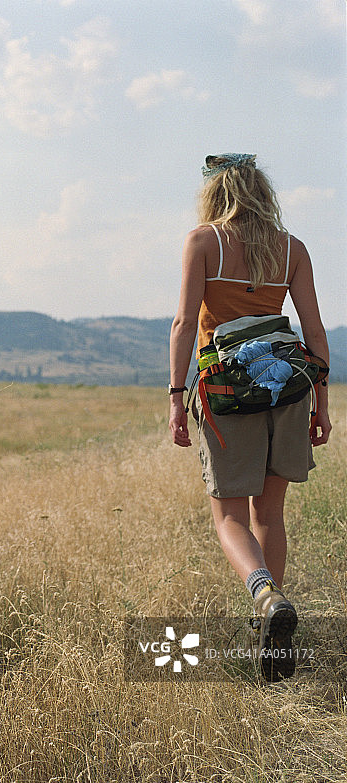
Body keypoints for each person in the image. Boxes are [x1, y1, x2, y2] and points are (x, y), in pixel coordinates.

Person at [168, 153, 331, 682]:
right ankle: (272, 639)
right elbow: (313, 330)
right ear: (264, 194)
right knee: (270, 514)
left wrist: (176, 397)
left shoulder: (203, 242)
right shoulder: (292, 249)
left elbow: (184, 323)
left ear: (216, 195)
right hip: (287, 390)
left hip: (227, 392)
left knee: (230, 517)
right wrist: (322, 403)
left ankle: (264, 595)